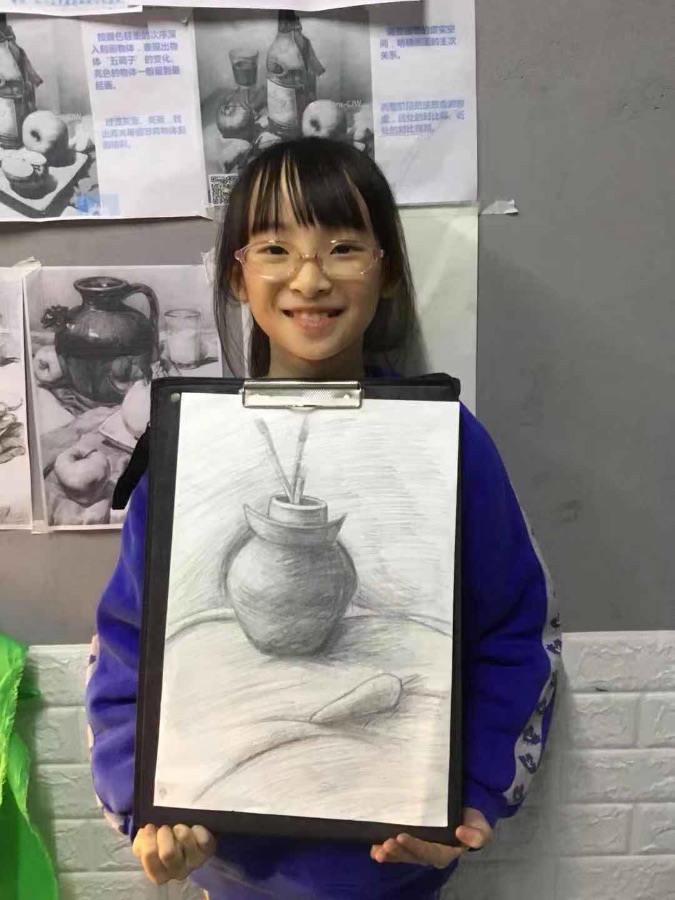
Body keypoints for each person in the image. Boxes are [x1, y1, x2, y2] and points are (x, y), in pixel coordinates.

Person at [85, 137, 561, 900]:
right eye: (275, 247)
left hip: (396, 870)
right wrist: (145, 807)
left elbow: (514, 632)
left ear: (386, 270)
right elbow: (124, 648)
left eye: (343, 247)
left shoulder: (448, 443)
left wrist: (468, 796)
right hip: (230, 869)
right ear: (237, 274)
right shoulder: (190, 449)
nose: (310, 278)